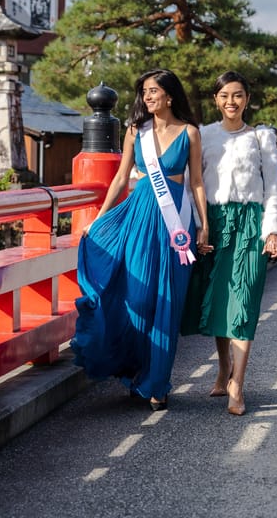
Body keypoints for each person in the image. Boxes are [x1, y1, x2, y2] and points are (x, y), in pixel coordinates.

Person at [71, 68, 209, 411]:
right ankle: (135, 372)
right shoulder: (137, 132)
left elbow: (196, 183)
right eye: (144, 92)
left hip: (176, 222)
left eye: (153, 91)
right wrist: (100, 218)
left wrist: (204, 226)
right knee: (139, 295)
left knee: (167, 303)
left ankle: (157, 384)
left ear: (170, 95)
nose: (147, 97)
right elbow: (120, 179)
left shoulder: (190, 132)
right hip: (139, 217)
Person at [181, 72, 277, 416]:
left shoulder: (261, 138)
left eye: (238, 95)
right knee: (220, 300)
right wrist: (199, 227)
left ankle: (237, 383)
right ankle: (223, 366)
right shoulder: (203, 135)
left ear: (247, 98)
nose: (231, 102)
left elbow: (273, 187)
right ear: (216, 99)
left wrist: (273, 230)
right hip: (215, 224)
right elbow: (192, 184)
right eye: (224, 95)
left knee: (244, 300)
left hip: (251, 224)